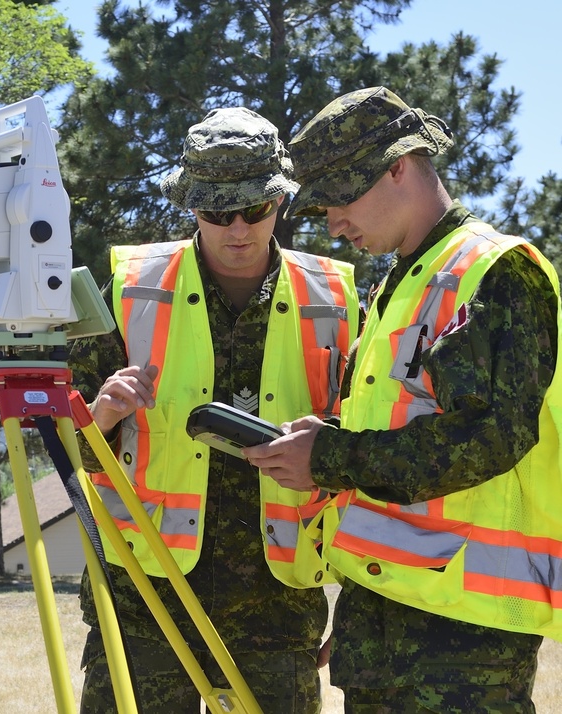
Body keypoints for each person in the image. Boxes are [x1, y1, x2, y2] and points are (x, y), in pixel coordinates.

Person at [243, 86, 562, 713]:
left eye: (340, 200)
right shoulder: (401, 282)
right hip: (390, 623)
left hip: (464, 639)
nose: (332, 223)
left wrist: (330, 455)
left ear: (400, 166)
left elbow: (488, 439)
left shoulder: (495, 271)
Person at [70, 107, 360, 713]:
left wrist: (358, 595)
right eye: (215, 213)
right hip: (146, 597)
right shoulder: (130, 286)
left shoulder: (335, 297)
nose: (237, 229)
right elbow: (59, 444)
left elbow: (362, 454)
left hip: (278, 604)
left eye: (254, 211)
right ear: (190, 207)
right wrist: (97, 417)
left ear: (279, 202)